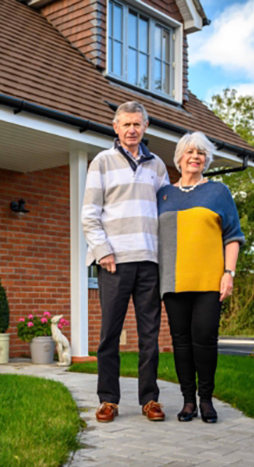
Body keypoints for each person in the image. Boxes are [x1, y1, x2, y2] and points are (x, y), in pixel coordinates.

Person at [82, 101, 169, 423]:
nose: (132, 130)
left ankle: (150, 400)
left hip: (149, 260)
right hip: (113, 262)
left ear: (145, 127)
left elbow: (167, 215)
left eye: (137, 124)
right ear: (115, 128)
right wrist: (103, 250)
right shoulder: (102, 163)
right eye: (126, 124)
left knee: (150, 334)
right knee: (110, 334)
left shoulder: (157, 166)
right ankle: (108, 400)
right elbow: (89, 213)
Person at [157, 132, 244, 423]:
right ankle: (187, 402)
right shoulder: (164, 195)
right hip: (173, 280)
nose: (195, 157)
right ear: (179, 158)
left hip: (209, 280)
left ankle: (206, 400)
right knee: (180, 342)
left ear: (206, 160)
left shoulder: (218, 192)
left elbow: (232, 236)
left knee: (204, 339)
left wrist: (228, 274)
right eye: (189, 152)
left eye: (201, 153)